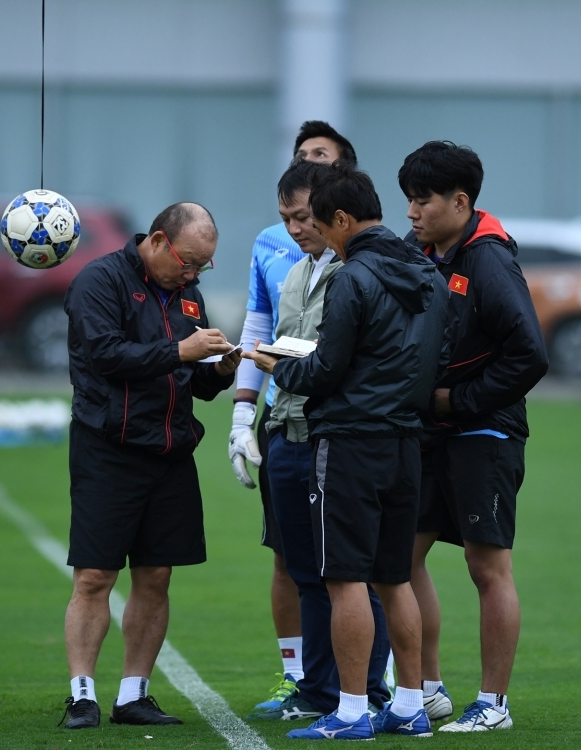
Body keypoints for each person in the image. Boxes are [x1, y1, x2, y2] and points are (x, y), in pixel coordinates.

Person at [246, 162, 448, 741]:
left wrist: (276, 365)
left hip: (350, 442)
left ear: (341, 219)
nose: (314, 236)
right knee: (395, 578)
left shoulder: (351, 277)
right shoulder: (428, 272)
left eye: (318, 224)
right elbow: (436, 356)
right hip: (407, 442)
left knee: (344, 580)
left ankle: (352, 710)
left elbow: (325, 370)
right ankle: (409, 705)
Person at [59, 202, 242, 729]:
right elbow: (106, 356)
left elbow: (195, 381)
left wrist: (221, 371)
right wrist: (181, 350)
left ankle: (133, 695)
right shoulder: (99, 281)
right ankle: (82, 696)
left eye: (203, 266)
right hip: (108, 450)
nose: (193, 275)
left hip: (171, 451)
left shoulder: (189, 295)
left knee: (157, 575)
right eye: (189, 262)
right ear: (159, 241)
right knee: (95, 576)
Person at [399, 141, 549, 732]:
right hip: (429, 432)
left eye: (423, 201)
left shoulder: (489, 260)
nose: (412, 212)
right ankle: (427, 689)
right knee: (400, 557)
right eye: (408, 200)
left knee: (487, 566)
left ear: (460, 202)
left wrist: (460, 400)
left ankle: (493, 704)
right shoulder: (419, 250)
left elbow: (530, 354)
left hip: (484, 431)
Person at [228, 121, 362, 713]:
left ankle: (377, 684)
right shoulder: (276, 247)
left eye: (322, 157)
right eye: (302, 155)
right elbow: (260, 324)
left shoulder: (363, 254)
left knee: (356, 566)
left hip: (338, 424)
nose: (293, 227)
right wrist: (242, 413)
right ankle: (302, 679)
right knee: (292, 559)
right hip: (285, 418)